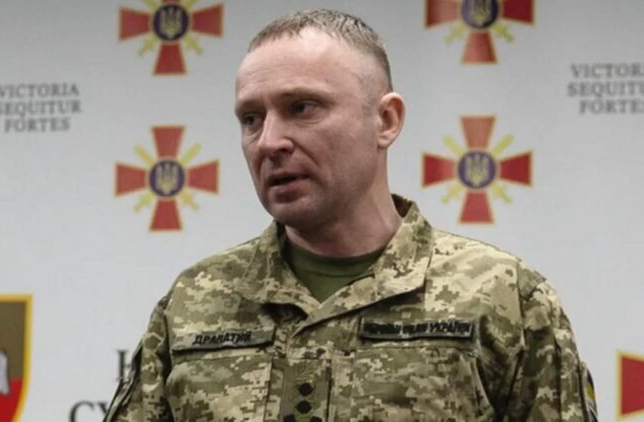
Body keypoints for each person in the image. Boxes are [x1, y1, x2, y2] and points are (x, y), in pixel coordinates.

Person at [104, 9, 597, 422]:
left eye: (302, 108)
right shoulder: (193, 303)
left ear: (385, 120)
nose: (269, 141)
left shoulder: (502, 297)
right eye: (251, 118)